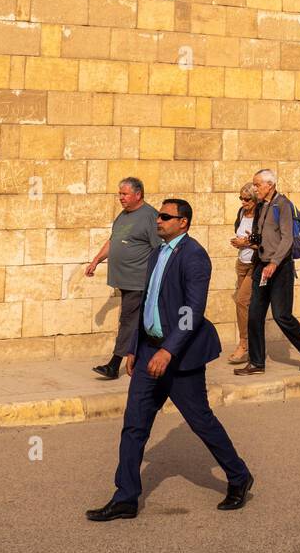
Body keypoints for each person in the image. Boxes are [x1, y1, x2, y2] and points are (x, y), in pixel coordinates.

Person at [86, 198, 253, 521]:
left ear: (183, 223)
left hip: (180, 355)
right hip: (149, 350)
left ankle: (239, 475)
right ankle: (126, 497)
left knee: (200, 420)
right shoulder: (156, 253)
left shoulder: (194, 256)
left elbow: (192, 312)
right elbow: (145, 301)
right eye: (158, 215)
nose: (158, 220)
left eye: (165, 216)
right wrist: (134, 347)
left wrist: (168, 350)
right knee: (134, 425)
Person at [235, 168, 300, 376]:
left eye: (257, 184)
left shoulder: (282, 205)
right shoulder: (262, 206)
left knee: (281, 315)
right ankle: (256, 362)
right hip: (261, 266)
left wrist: (274, 263)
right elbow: (264, 237)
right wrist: (248, 242)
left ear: (269, 185)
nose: (255, 188)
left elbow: (287, 239)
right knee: (254, 314)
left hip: (280, 268)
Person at [86, 177, 159, 379]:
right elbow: (113, 240)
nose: (121, 198)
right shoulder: (123, 215)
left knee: (128, 320)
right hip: (124, 281)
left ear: (138, 194)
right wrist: (96, 261)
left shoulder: (149, 217)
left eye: (124, 194)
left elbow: (158, 249)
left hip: (138, 280)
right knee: (135, 321)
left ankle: (114, 364)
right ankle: (137, 359)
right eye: (119, 194)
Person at [227, 182, 259, 365]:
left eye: (247, 199)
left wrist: (246, 243)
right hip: (242, 264)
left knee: (241, 300)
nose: (243, 202)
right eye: (241, 198)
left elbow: (265, 244)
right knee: (246, 304)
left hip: (255, 264)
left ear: (255, 200)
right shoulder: (241, 214)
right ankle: (252, 342)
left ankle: (244, 344)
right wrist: (238, 241)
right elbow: (238, 232)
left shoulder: (261, 216)